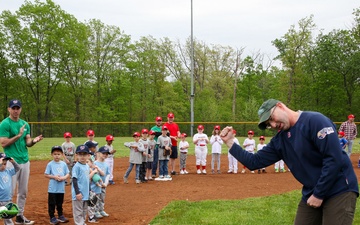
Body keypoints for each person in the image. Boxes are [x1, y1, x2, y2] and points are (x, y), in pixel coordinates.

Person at [221, 99, 359, 225]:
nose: (273, 125)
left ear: (280, 106)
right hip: (312, 191)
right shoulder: (280, 140)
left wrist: (319, 194)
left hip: (339, 189)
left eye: (271, 119)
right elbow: (254, 161)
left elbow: (333, 159)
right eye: (269, 124)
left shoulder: (315, 121)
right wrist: (230, 142)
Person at [0, 99, 43, 225]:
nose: (15, 110)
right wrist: (18, 136)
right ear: (9, 109)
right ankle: (8, 220)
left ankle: (19, 216)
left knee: (23, 191)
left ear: (20, 109)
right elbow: (3, 142)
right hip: (10, 162)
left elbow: (28, 142)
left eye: (17, 108)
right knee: (9, 192)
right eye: (13, 108)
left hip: (25, 160)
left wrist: (34, 141)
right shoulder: (5, 124)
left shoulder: (25, 124)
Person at [44, 146, 70, 225]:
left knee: (60, 202)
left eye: (58, 154)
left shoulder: (63, 164)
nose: (57, 156)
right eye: (55, 154)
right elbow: (46, 174)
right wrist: (54, 177)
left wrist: (64, 178)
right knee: (52, 203)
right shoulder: (50, 164)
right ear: (52, 154)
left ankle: (60, 215)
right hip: (53, 188)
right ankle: (52, 217)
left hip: (61, 188)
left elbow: (67, 173)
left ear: (62, 155)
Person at [71, 144, 97, 225]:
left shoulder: (86, 166)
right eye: (80, 154)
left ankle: (82, 222)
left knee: (84, 210)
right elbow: (74, 180)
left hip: (85, 193)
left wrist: (89, 191)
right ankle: (79, 223)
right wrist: (77, 193)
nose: (82, 156)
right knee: (78, 211)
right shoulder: (76, 166)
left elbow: (87, 180)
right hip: (78, 194)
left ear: (88, 156)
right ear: (77, 155)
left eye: (84, 154)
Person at [0, 153, 20, 225]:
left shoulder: (8, 172)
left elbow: (18, 168)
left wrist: (13, 162)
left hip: (7, 200)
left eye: (5, 164)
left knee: (8, 218)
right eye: (2, 164)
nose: (3, 166)